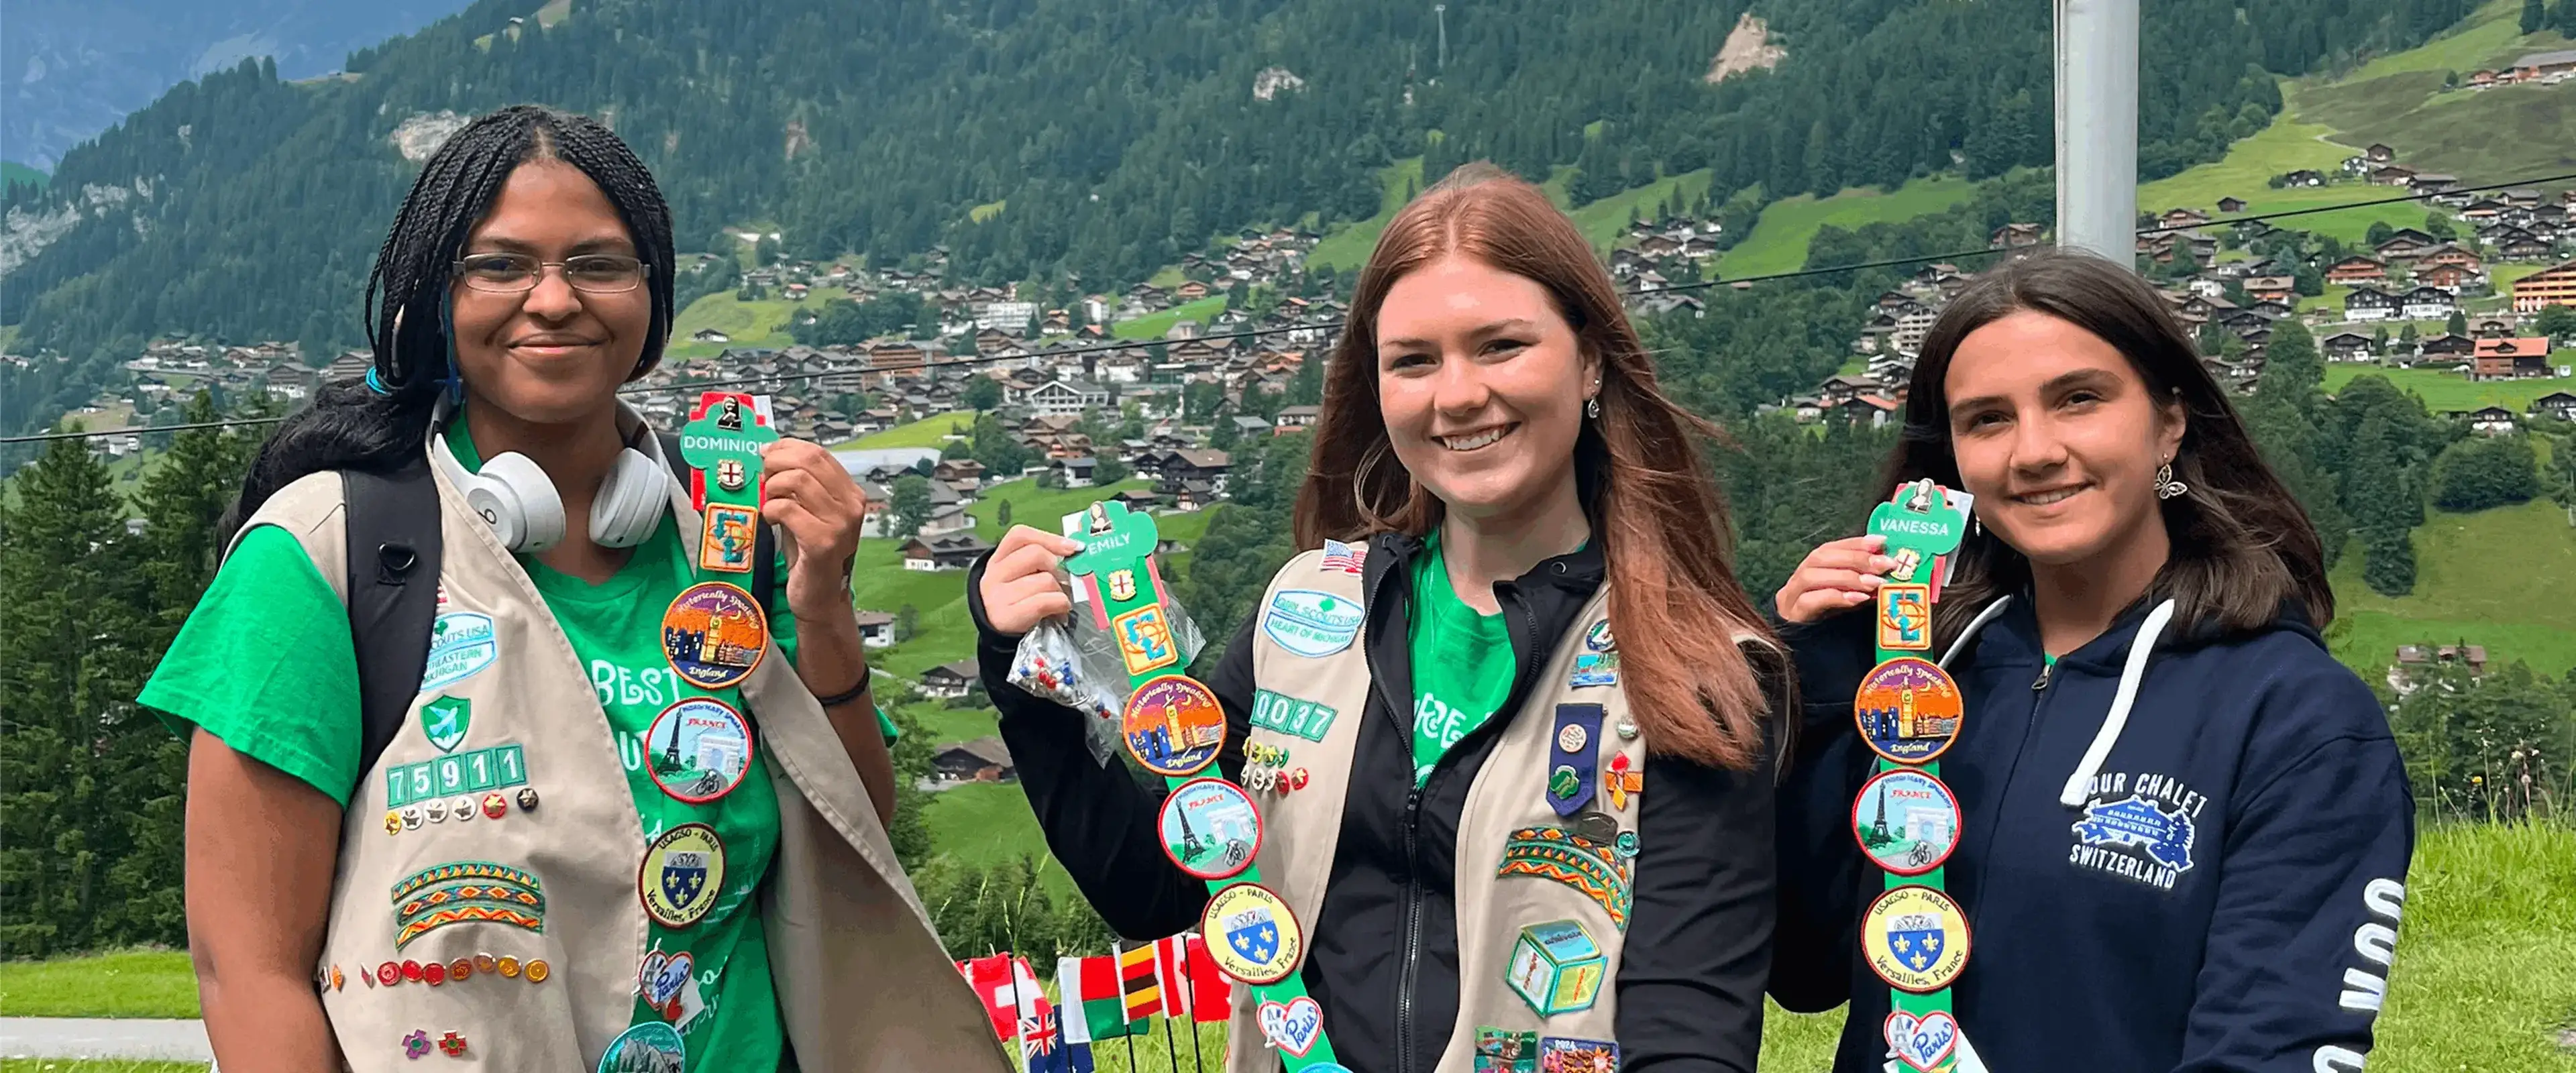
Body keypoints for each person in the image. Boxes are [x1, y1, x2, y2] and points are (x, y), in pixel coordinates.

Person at [143, 105, 999, 1072]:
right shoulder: (326, 555)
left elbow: (850, 839)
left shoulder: (727, 539)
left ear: (653, 297)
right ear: (435, 297)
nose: (553, 301)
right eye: (500, 265)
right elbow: (246, 971)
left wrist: (823, 612)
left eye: (597, 264)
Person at [973, 163, 1786, 1072]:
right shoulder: (1307, 614)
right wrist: (1030, 685)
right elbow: (1156, 886)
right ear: (1379, 385)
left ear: (1590, 358)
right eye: (1414, 360)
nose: (1457, 394)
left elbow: (1691, 1031)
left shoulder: (1692, 668)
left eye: (1501, 345)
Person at [1768, 251, 2412, 1072]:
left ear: (2170, 421)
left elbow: (2273, 1050)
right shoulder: (1920, 682)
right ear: (1954, 461)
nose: (2035, 451)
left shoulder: (2297, 718)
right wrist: (1814, 680)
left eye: (2079, 400)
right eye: (1988, 419)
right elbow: (1807, 968)